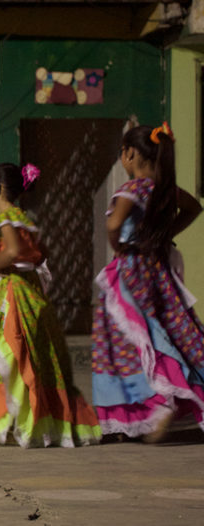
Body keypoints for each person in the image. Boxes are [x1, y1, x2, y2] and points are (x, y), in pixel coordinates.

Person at [0, 163, 101, 447]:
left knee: (2, 355)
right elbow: (41, 254)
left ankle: (4, 420)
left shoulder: (3, 219)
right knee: (32, 355)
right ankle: (23, 419)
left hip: (13, 293)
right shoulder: (25, 219)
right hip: (31, 292)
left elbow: (14, 251)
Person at [91, 123, 204, 443]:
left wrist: (118, 243)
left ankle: (150, 406)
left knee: (125, 339)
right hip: (158, 272)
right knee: (167, 330)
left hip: (129, 272)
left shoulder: (131, 190)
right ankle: (152, 407)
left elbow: (114, 223)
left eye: (122, 154)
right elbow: (194, 208)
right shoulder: (165, 189)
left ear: (130, 154)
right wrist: (164, 235)